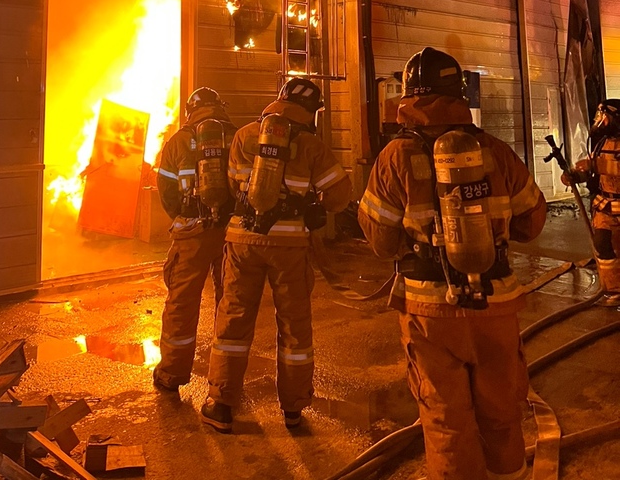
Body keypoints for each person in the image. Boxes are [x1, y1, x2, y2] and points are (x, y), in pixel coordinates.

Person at [358, 47, 546, 480]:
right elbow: (532, 223)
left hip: (428, 312)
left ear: (407, 96)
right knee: (502, 409)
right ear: (459, 93)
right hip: (495, 306)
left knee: (446, 420)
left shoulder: (393, 158)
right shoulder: (495, 151)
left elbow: (382, 243)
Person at [200, 77, 352, 433]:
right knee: (294, 326)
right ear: (311, 111)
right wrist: (313, 203)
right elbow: (339, 196)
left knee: (234, 319)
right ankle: (294, 409)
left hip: (243, 239)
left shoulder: (244, 136)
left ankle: (221, 404)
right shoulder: (312, 145)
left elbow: (231, 183)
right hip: (289, 246)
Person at [153, 87, 236, 392]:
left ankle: (172, 374)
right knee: (230, 302)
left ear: (190, 111)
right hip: (231, 233)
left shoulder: (177, 141)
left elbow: (166, 191)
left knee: (182, 302)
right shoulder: (237, 136)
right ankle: (225, 378)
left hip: (192, 232)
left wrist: (183, 216)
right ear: (220, 106)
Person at [562, 99, 620, 305]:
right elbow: (592, 171)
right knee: (602, 244)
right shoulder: (601, 143)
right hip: (605, 206)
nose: (599, 121)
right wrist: (576, 176)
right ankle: (614, 291)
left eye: (603, 116)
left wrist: (595, 164)